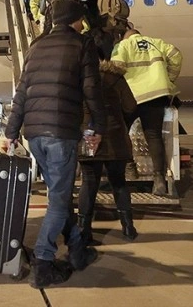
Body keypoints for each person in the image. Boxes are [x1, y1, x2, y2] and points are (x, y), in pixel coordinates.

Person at [4, 0, 107, 289]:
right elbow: (91, 89)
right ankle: (43, 263)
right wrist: (98, 126)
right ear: (76, 19)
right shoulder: (81, 44)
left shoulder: (35, 46)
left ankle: (76, 251)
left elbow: (22, 92)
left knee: (59, 199)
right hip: (60, 133)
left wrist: (12, 131)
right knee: (59, 203)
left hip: (34, 134)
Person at [77, 39, 138, 246]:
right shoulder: (115, 78)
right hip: (115, 137)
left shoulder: (78, 79)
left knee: (89, 183)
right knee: (119, 183)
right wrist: (121, 123)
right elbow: (130, 106)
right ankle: (128, 227)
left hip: (88, 137)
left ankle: (84, 231)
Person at [111, 26, 183, 196]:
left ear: (125, 37)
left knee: (121, 132)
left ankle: (129, 167)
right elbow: (176, 56)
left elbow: (116, 67)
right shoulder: (157, 43)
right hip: (156, 95)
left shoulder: (123, 46)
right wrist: (168, 78)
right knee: (154, 136)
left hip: (132, 96)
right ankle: (159, 181)